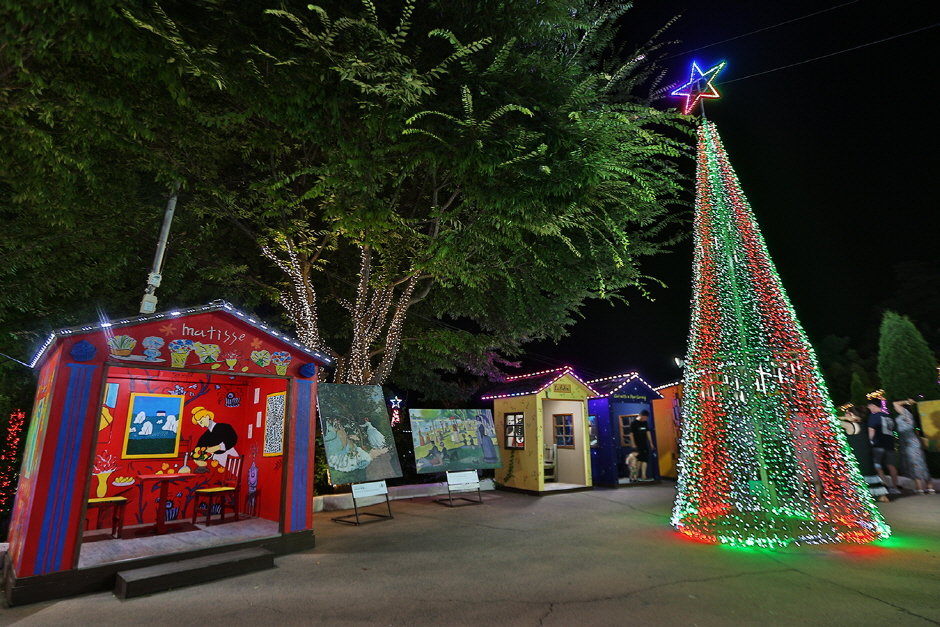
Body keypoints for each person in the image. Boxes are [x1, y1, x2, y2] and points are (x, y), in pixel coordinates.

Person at [840, 407, 889, 502]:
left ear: (851, 414)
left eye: (846, 413)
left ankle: (860, 496)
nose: (845, 415)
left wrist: (844, 418)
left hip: (856, 453)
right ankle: (881, 496)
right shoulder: (863, 425)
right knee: (869, 471)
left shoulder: (850, 425)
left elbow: (829, 419)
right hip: (866, 453)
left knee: (859, 473)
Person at [893, 399, 934, 494]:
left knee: (915, 464)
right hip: (910, 442)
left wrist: (907, 401)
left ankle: (920, 488)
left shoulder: (905, 412)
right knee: (920, 463)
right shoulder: (907, 415)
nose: (895, 408)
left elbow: (895, 403)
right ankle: (929, 487)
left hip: (910, 443)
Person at [867, 400, 900, 494]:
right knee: (891, 466)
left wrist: (869, 441)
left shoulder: (874, 416)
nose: (869, 408)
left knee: (877, 465)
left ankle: (885, 485)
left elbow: (871, 431)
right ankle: (895, 487)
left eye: (869, 406)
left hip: (878, 444)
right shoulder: (888, 417)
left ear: (873, 405)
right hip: (890, 445)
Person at [630, 410, 656, 481]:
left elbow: (648, 432)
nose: (645, 419)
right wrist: (633, 444)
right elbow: (631, 434)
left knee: (645, 459)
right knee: (638, 460)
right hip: (637, 444)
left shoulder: (645, 423)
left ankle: (643, 475)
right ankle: (636, 475)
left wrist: (651, 442)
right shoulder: (634, 423)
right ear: (641, 415)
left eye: (646, 418)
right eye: (644, 418)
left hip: (644, 443)